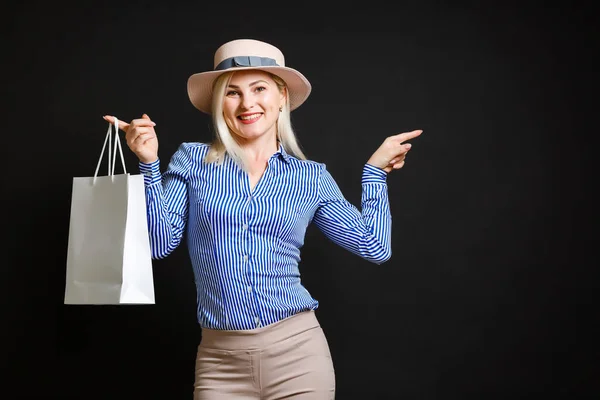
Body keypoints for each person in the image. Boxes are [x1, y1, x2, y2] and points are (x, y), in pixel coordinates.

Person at [104, 38, 422, 399]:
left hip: (299, 355)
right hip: (219, 361)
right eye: (232, 92)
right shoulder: (192, 160)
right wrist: (148, 163)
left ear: (282, 95)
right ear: (218, 101)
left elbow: (374, 246)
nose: (247, 103)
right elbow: (160, 245)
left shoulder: (310, 177)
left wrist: (374, 174)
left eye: (259, 88)